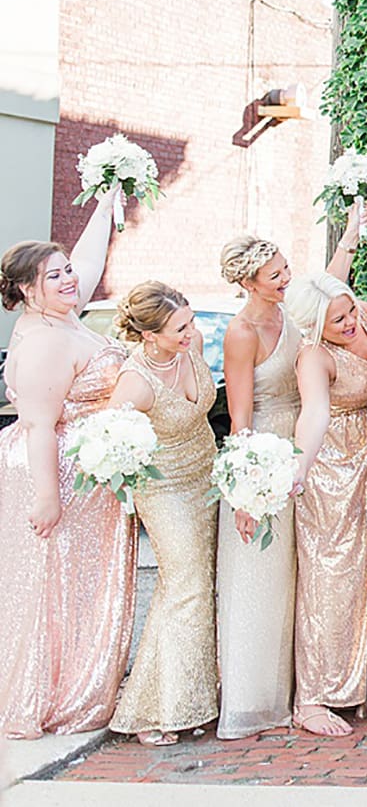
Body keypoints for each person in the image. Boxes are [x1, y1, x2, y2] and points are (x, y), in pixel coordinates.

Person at [215, 218, 362, 741]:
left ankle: (308, 685)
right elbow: (240, 418)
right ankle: (255, 700)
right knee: (264, 577)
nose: (285, 279)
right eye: (275, 275)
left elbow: (325, 288)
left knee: (303, 576)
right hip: (265, 457)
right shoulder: (242, 332)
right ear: (249, 282)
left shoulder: (291, 317)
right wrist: (245, 492)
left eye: (285, 271)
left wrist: (349, 234)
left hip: (305, 455)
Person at [0, 196, 137, 739]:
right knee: (51, 583)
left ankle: (81, 682)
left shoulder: (66, 314)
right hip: (54, 475)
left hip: (88, 478)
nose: (67, 280)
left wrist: (107, 201)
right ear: (27, 291)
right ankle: (47, 693)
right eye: (53, 276)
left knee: (79, 584)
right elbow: (37, 426)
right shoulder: (42, 342)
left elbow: (87, 261)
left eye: (64, 272)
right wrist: (46, 497)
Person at [107, 283, 220, 746]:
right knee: (185, 586)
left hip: (207, 477)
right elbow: (110, 440)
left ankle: (192, 700)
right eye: (181, 327)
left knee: (201, 585)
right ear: (150, 335)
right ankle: (152, 710)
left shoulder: (189, 355)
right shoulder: (135, 380)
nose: (191, 331)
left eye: (190, 321)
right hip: (165, 487)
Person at [288, 272, 367, 737]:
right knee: (329, 580)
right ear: (313, 325)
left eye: (349, 310)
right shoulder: (313, 357)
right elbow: (317, 413)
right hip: (331, 471)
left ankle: (356, 684)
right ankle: (312, 696)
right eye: (336, 319)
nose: (349, 321)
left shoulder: (364, 322)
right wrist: (300, 470)